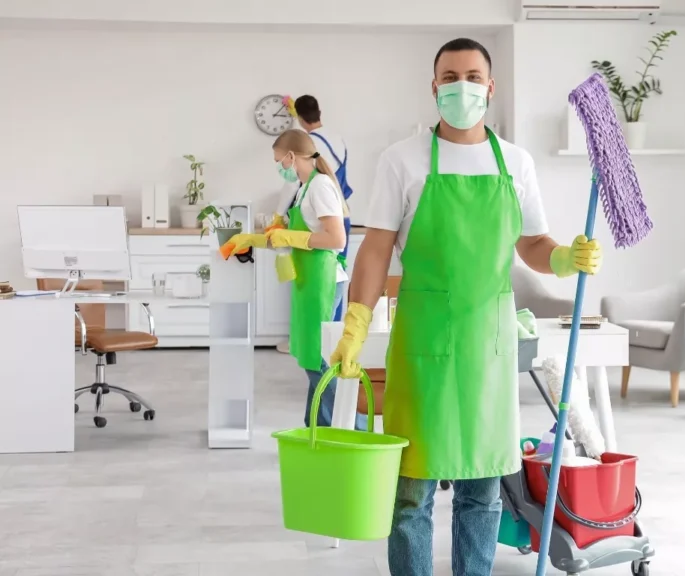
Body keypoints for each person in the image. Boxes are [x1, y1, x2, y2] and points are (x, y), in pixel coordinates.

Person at [328, 37, 602, 576]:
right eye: (450, 76)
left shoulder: (516, 162)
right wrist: (355, 322)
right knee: (412, 492)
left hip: (489, 345)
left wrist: (566, 258)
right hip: (423, 341)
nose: (462, 86)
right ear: (434, 87)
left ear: (490, 86)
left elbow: (531, 245)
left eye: (473, 76)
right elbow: (377, 247)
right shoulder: (402, 160)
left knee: (484, 489)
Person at [227, 129, 360, 429]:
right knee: (312, 356)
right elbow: (287, 238)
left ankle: (356, 426)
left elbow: (336, 238)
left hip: (324, 280)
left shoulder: (321, 186)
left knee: (317, 359)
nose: (279, 167)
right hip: (308, 280)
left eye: (279, 161)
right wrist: (250, 239)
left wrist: (291, 235)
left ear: (291, 156)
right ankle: (317, 427)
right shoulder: (304, 188)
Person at [292, 94, 354, 322]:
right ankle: (330, 338)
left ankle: (323, 343)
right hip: (342, 214)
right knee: (335, 276)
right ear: (319, 111)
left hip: (323, 220)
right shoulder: (336, 138)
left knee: (325, 283)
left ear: (299, 118)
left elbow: (294, 183)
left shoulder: (310, 144)